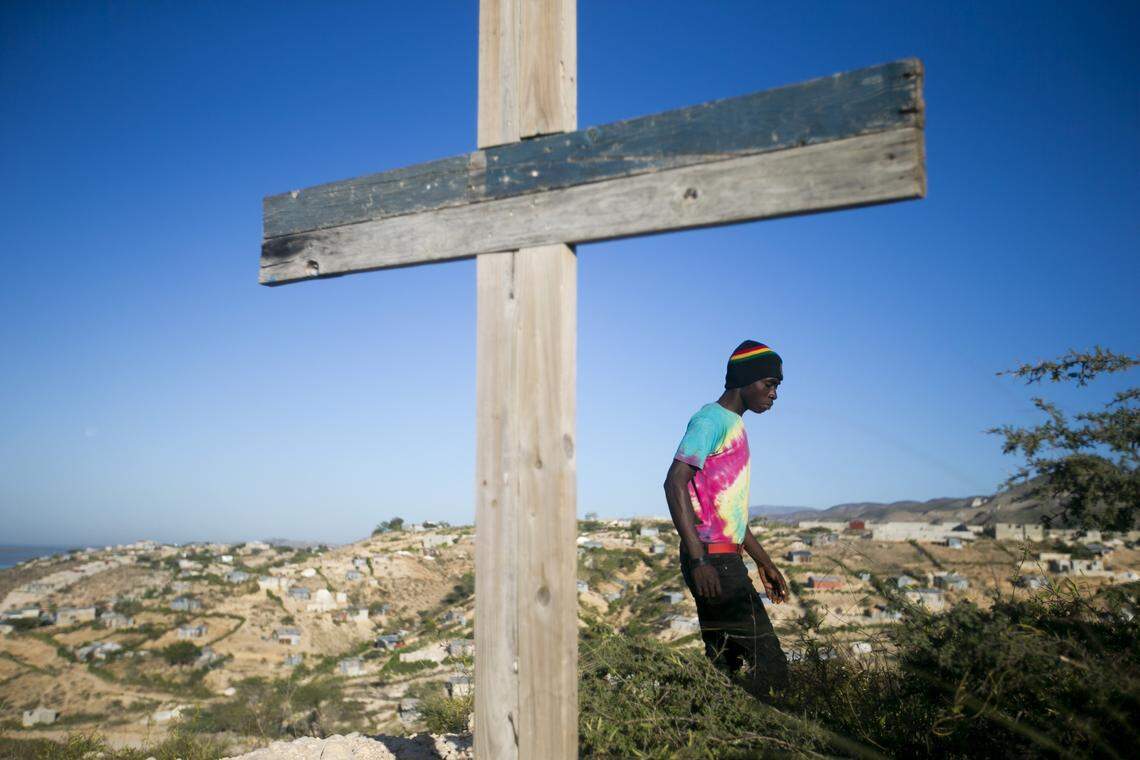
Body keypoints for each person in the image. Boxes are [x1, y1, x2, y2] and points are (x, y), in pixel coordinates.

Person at [663, 339, 790, 699]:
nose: (774, 394)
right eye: (769, 384)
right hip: (713, 562)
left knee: (724, 668)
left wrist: (764, 563)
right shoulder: (711, 420)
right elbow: (674, 483)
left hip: (721, 557)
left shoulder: (733, 425)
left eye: (777, 386)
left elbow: (728, 514)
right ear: (744, 381)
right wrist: (700, 559)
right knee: (773, 669)